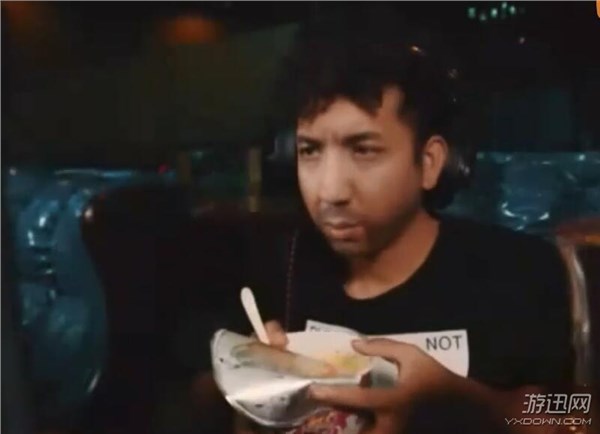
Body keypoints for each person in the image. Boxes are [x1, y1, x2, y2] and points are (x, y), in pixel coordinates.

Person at [181, 8, 574, 434]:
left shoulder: (519, 270)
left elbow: (578, 414)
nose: (330, 191)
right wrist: (247, 387)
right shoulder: (281, 268)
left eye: (364, 150)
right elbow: (194, 402)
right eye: (310, 151)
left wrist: (463, 401)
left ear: (429, 162)